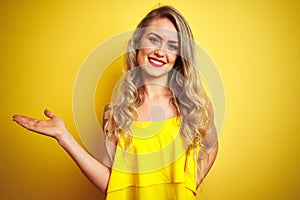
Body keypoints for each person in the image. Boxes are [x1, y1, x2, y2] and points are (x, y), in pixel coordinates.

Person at [13, 5, 218, 200]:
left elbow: (212, 146)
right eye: (154, 40)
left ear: (179, 56)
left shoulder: (194, 104)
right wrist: (64, 137)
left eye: (172, 45)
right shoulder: (116, 111)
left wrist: (189, 184)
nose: (160, 51)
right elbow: (110, 183)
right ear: (137, 43)